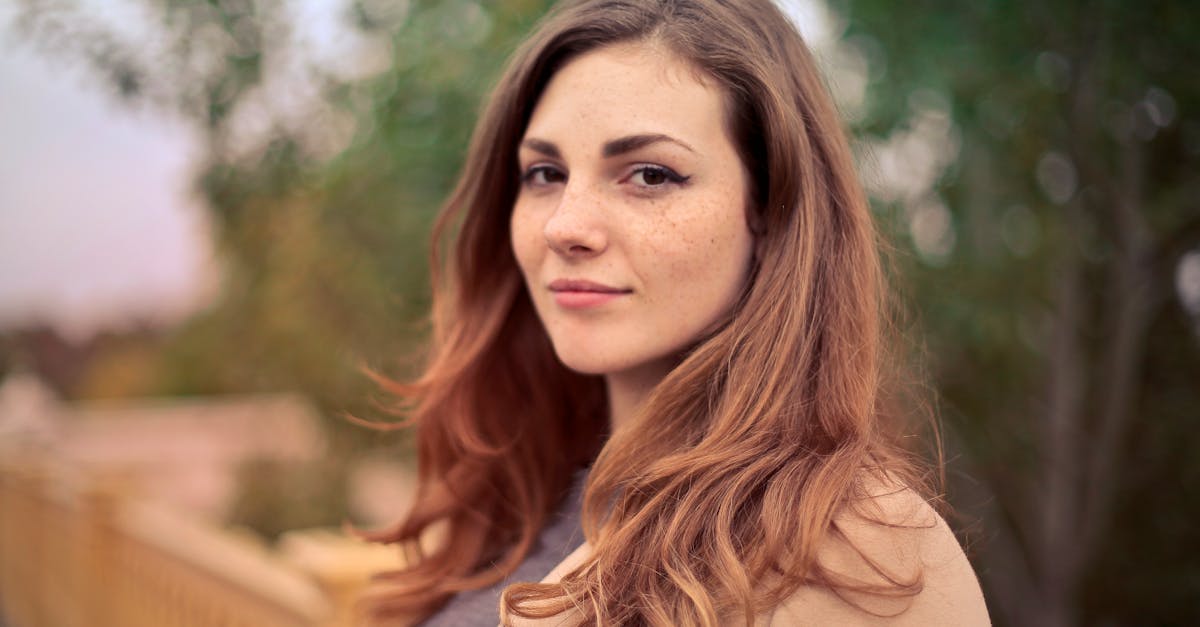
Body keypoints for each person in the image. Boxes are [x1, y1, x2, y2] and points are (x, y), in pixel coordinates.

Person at [362, 0, 990, 625]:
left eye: (651, 175)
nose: (565, 226)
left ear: (771, 213)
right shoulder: (522, 505)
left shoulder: (857, 551)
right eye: (546, 173)